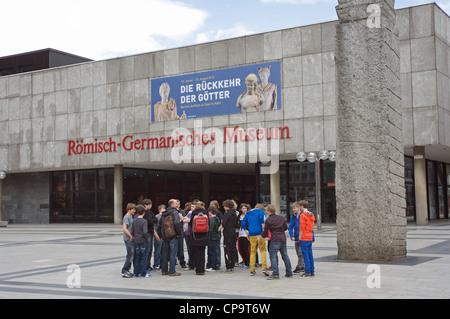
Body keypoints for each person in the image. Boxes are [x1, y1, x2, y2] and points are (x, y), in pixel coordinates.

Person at [261, 204, 292, 280]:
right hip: (283, 238)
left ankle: (275, 274)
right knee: (285, 255)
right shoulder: (281, 217)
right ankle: (289, 272)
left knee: (273, 256)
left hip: (275, 239)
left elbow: (265, 232)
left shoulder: (268, 220)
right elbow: (285, 227)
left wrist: (261, 236)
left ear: (268, 211)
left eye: (266, 211)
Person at [241, 204, 269, 277]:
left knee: (253, 252)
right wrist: (263, 227)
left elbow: (243, 222)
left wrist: (246, 231)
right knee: (263, 250)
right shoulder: (260, 211)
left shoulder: (248, 213)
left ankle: (252, 270)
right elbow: (260, 218)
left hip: (252, 234)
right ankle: (264, 268)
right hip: (259, 233)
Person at [157, 199, 182, 276]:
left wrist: (161, 235)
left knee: (165, 253)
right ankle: (172, 271)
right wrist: (178, 233)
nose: (177, 204)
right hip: (173, 235)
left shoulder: (164, 213)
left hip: (165, 236)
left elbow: (159, 225)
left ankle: (164, 270)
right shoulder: (174, 212)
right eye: (175, 203)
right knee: (173, 253)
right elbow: (177, 223)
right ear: (172, 204)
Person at [189, 201, 209, 275]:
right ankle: (202, 270)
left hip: (195, 235)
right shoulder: (205, 212)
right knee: (202, 253)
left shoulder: (193, 213)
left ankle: (198, 270)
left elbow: (191, 223)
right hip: (204, 235)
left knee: (196, 253)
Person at [131, 205, 151, 278]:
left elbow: (132, 230)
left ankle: (136, 273)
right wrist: (147, 239)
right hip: (143, 240)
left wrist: (133, 237)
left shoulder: (134, 220)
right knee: (144, 257)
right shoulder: (144, 221)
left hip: (136, 240)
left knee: (137, 256)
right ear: (143, 212)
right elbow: (145, 232)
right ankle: (143, 273)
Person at [298, 200, 315, 278]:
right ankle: (312, 271)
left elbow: (302, 226)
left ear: (302, 206)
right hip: (310, 235)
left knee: (305, 255)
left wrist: (300, 236)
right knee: (310, 254)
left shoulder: (303, 215)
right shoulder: (311, 214)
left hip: (304, 236)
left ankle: (307, 271)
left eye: (299, 206)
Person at [221, 199, 239, 273]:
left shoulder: (227, 214)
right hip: (234, 233)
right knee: (233, 249)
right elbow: (237, 224)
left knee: (227, 250)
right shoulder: (235, 213)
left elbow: (224, 224)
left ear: (227, 206)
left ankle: (228, 266)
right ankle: (232, 266)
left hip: (227, 233)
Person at [288, 202, 305, 274]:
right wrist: (292, 235)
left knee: (301, 253)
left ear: (298, 208)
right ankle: (300, 266)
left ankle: (301, 266)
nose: (293, 209)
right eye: (292, 208)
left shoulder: (303, 215)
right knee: (298, 253)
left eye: (294, 208)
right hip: (296, 238)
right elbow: (290, 227)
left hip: (303, 238)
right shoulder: (293, 216)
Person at [142, 198, 159, 271]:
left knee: (150, 250)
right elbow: (150, 222)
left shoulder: (150, 212)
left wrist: (152, 220)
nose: (151, 206)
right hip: (147, 232)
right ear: (145, 205)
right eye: (149, 205)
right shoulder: (144, 212)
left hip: (151, 232)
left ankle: (148, 265)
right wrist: (152, 220)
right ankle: (145, 266)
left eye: (151, 204)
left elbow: (155, 219)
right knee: (147, 249)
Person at [121, 203, 136, 278]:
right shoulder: (126, 217)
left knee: (131, 254)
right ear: (129, 209)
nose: (134, 211)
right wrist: (130, 235)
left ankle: (127, 269)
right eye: (133, 209)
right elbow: (124, 228)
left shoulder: (131, 216)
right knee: (130, 254)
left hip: (131, 238)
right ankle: (124, 270)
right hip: (128, 238)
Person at [206, 206, 220, 271]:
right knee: (214, 251)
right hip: (216, 237)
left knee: (211, 252)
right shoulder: (217, 218)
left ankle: (212, 266)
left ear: (210, 212)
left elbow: (210, 229)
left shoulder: (211, 219)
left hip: (212, 237)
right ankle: (213, 265)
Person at [237, 203, 251, 269]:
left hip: (246, 234)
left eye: (245, 208)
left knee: (246, 249)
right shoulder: (239, 216)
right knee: (241, 249)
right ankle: (245, 261)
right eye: (243, 208)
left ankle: (247, 263)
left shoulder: (248, 216)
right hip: (240, 234)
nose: (244, 209)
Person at [153, 204, 165, 270]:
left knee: (163, 250)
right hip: (158, 235)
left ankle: (161, 263)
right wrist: (156, 234)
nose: (164, 210)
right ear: (160, 210)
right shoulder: (157, 217)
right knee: (157, 251)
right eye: (163, 209)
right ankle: (156, 264)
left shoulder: (165, 216)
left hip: (163, 236)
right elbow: (154, 226)